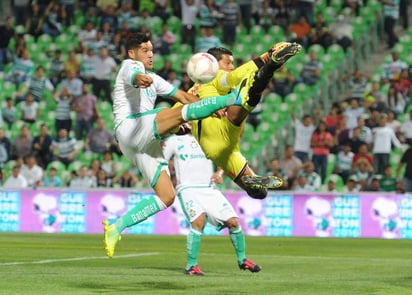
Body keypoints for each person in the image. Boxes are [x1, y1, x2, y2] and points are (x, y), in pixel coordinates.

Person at [103, 32, 250, 258]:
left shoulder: (155, 79)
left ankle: (116, 228)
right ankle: (235, 99)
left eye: (152, 50)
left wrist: (211, 109)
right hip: (129, 127)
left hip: (140, 145)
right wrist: (223, 102)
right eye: (145, 50)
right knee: (171, 115)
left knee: (166, 196)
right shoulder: (129, 65)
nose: (150, 54)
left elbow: (184, 97)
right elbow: (133, 75)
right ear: (132, 53)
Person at [185, 42, 301, 198]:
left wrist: (179, 127)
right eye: (228, 63)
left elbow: (176, 113)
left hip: (223, 153)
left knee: (259, 192)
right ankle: (270, 68)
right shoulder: (214, 76)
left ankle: (252, 182)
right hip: (221, 131)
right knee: (244, 101)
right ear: (213, 63)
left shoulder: (190, 91)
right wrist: (265, 58)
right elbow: (233, 77)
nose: (231, 66)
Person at [163, 133, 261, 275]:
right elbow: (160, 162)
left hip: (209, 188)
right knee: (198, 222)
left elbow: (225, 157)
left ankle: (242, 260)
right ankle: (191, 265)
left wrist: (219, 173)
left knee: (233, 222)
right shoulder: (174, 140)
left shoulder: (208, 137)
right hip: (187, 188)